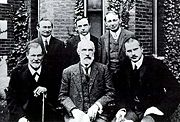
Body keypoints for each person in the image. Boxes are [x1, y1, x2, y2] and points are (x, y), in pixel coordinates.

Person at [114, 37, 180, 122]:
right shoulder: (123, 67)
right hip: (131, 110)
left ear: (142, 49)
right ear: (125, 53)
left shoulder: (156, 65)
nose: (133, 53)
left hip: (153, 109)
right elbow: (119, 93)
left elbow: (175, 89)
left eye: (135, 49)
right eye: (129, 51)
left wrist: (160, 109)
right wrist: (122, 109)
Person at [58, 41, 115, 122]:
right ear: (78, 52)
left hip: (98, 115)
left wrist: (97, 105)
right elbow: (62, 96)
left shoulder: (103, 69)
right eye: (84, 50)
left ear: (94, 52)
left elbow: (110, 93)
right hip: (75, 115)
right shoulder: (68, 72)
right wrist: (73, 110)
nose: (87, 54)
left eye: (90, 50)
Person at [31, 18, 66, 121]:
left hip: (54, 84)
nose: (47, 29)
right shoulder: (33, 43)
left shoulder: (59, 44)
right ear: (38, 28)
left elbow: (63, 65)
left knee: (53, 114)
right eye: (44, 27)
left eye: (49, 27)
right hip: (38, 84)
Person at [7, 42, 47, 122]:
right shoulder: (17, 73)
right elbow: (11, 99)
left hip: (45, 116)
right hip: (23, 116)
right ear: (27, 55)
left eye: (39, 55)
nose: (36, 59)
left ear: (42, 56)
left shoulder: (50, 71)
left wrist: (46, 90)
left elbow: (57, 95)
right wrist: (20, 117)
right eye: (33, 55)